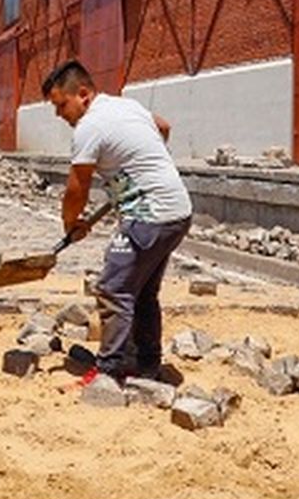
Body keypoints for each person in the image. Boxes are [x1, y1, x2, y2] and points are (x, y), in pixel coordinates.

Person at [42, 59, 192, 383]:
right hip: (178, 211)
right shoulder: (127, 106)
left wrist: (70, 225)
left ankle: (109, 370)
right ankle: (147, 364)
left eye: (61, 105)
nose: (59, 115)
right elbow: (163, 127)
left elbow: (76, 188)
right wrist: (139, 164)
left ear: (82, 94)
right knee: (142, 292)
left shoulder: (89, 127)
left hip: (150, 217)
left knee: (113, 289)